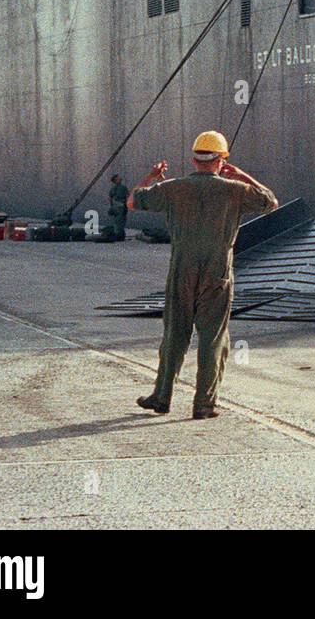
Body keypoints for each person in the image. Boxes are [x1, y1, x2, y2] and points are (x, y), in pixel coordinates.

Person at [130, 131, 278, 420]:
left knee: (174, 333)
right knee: (213, 337)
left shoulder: (174, 188)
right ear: (222, 160)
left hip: (182, 267)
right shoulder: (235, 190)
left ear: (193, 158)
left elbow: (133, 202)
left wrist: (151, 176)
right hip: (217, 269)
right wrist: (242, 176)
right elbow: (270, 201)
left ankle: (162, 397)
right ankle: (204, 404)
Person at [107, 174, 128, 242]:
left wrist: (111, 206)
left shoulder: (113, 188)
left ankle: (118, 235)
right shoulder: (123, 187)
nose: (120, 178)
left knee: (117, 221)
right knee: (121, 221)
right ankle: (119, 236)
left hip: (116, 206)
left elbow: (110, 198)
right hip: (121, 206)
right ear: (116, 180)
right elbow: (127, 196)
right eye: (118, 177)